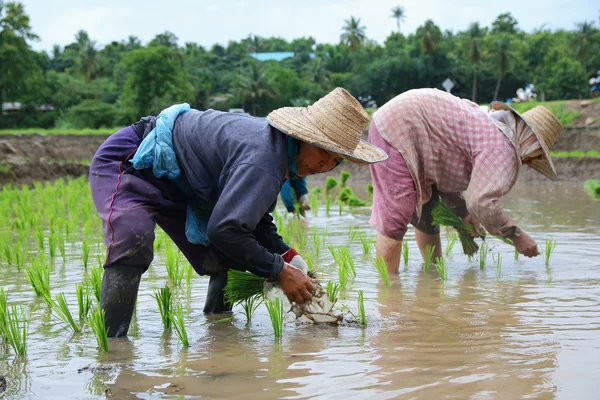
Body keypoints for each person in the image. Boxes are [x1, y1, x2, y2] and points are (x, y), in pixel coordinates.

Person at [89, 87, 387, 337]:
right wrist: (280, 271)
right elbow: (225, 229)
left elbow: (250, 221)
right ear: (303, 138)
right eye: (323, 152)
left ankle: (218, 331)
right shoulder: (264, 160)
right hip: (134, 160)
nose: (324, 167)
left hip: (181, 185)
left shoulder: (278, 155)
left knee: (225, 257)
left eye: (335, 161)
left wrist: (287, 256)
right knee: (133, 235)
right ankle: (112, 348)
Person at [368, 88, 563, 272]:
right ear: (531, 142)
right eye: (536, 155)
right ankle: (388, 294)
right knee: (394, 219)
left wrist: (464, 215)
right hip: (397, 128)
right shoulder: (501, 147)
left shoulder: (489, 128)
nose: (530, 160)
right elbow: (483, 203)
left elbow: (449, 169)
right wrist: (516, 236)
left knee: (429, 214)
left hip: (408, 125)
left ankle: (433, 274)